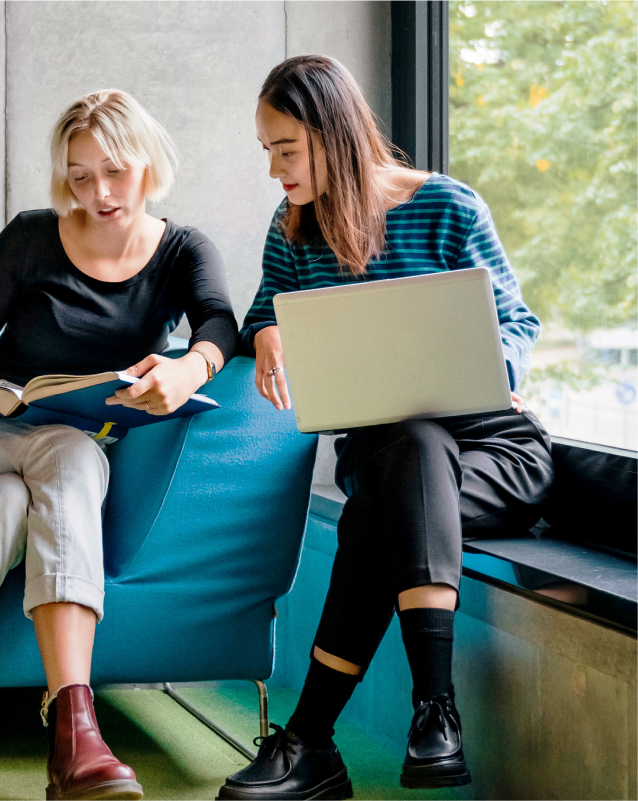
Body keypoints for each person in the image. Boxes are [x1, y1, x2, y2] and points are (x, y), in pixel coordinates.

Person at [0, 89, 239, 801]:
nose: (97, 192)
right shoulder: (30, 235)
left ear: (148, 163)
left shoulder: (184, 249)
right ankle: (76, 733)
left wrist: (190, 366)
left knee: (8, 503)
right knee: (70, 451)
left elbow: (220, 321)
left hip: (33, 473)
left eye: (114, 171)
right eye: (79, 174)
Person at [219, 56, 553, 800]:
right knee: (406, 446)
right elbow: (257, 315)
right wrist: (266, 329)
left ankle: (310, 743)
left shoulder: (449, 207)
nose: (274, 169)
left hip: (493, 452)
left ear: (330, 134)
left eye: (284, 149)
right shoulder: (293, 228)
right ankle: (432, 712)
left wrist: (490, 364)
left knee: (400, 475)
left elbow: (517, 323)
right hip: (389, 460)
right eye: (267, 152)